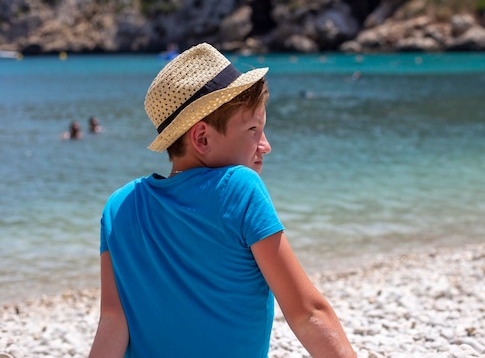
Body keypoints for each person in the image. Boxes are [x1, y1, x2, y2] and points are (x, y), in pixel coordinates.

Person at [88, 43, 356, 358]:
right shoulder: (239, 188)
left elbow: (112, 322)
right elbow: (307, 313)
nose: (265, 145)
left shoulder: (119, 207)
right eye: (254, 129)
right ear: (201, 138)